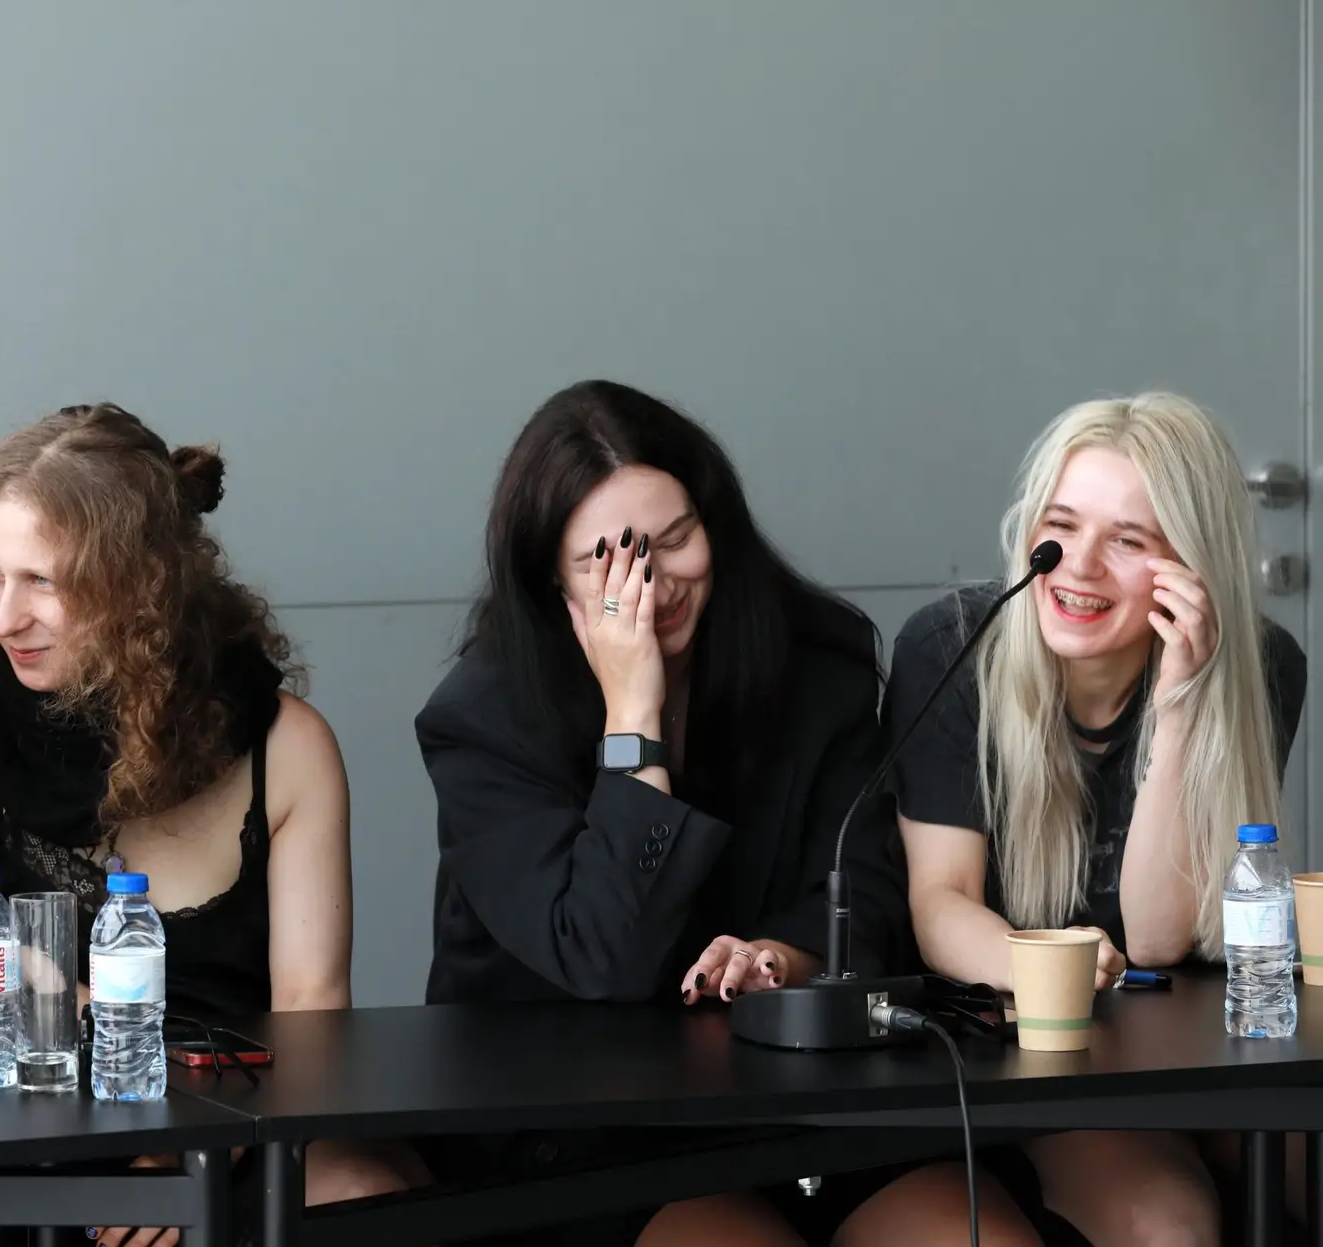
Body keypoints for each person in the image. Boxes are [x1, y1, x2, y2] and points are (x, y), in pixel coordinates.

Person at [417, 380, 1037, 1247]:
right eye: (606, 561)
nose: (652, 582)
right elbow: (606, 956)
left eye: (674, 540)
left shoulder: (816, 660)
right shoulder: (485, 718)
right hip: (587, 1120)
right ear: (549, 575)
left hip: (801, 1088)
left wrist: (780, 956)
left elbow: (866, 887)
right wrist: (633, 720)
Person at [0, 403, 422, 1246]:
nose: (5, 616)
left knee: (364, 1193)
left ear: (142, 588)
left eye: (44, 581)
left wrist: (182, 1154)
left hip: (239, 1127)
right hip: (27, 1138)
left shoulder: (286, 747)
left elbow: (312, 1025)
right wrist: (24, 981)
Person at [885, 391, 1308, 1247]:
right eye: (1062, 526)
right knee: (1169, 1223)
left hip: (1187, 1036)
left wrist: (1180, 706)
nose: (1077, 567)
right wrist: (1053, 968)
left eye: (1128, 541)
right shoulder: (952, 646)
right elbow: (939, 904)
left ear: (1190, 565)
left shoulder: (1259, 664)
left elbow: (1156, 938)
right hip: (1028, 1047)